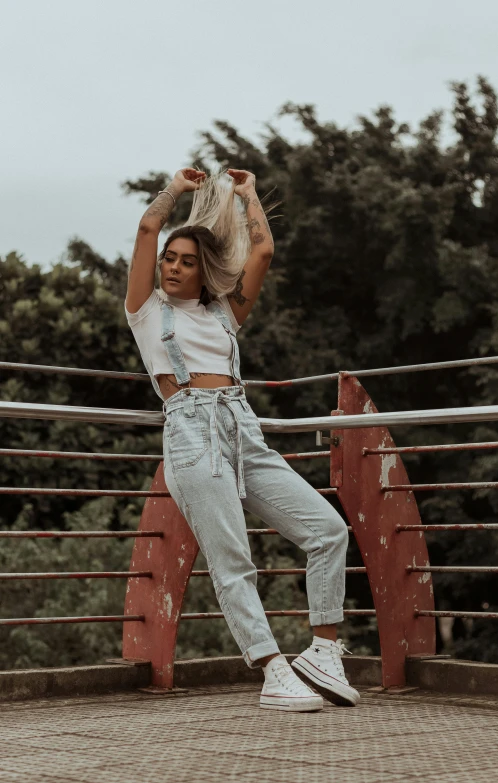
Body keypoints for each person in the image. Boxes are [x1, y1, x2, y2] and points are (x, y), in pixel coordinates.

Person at [125, 165, 360, 712]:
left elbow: (263, 252)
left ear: (205, 269)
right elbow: (144, 231)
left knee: (328, 530)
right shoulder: (146, 311)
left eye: (187, 261)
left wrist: (249, 195)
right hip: (191, 434)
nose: (175, 267)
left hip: (243, 431)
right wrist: (175, 191)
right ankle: (272, 669)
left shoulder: (224, 315)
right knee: (234, 560)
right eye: (170, 259)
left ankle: (322, 651)